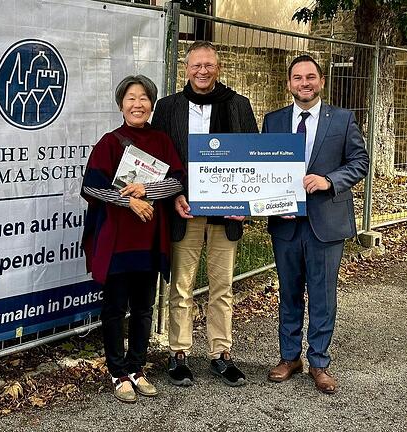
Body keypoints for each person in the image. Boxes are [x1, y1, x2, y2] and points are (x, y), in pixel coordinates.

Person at [152, 41, 258, 387]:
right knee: (180, 286)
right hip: (184, 211)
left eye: (209, 65)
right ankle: (178, 353)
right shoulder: (168, 108)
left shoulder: (239, 105)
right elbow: (157, 160)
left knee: (222, 286)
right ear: (186, 68)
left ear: (219, 67)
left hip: (225, 215)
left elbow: (252, 159)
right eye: (196, 65)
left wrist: (247, 204)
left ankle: (220, 354)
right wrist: (173, 196)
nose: (202, 71)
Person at [261, 55, 369, 394]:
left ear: (321, 81)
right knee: (289, 292)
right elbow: (264, 169)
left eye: (310, 77)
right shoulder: (274, 121)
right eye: (297, 77)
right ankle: (289, 357)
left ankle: (319, 362)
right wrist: (266, 201)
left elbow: (360, 161)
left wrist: (328, 180)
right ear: (289, 83)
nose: (304, 83)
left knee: (322, 294)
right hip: (286, 223)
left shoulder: (342, 119)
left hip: (326, 221)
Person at [80, 75, 185, 403]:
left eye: (143, 98)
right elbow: (91, 187)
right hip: (117, 241)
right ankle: (117, 371)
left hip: (150, 241)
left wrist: (147, 190)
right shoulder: (110, 143)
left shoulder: (162, 141)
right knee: (114, 308)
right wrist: (129, 201)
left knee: (143, 307)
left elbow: (178, 181)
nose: (137, 104)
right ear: (121, 104)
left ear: (151, 104)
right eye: (130, 98)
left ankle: (138, 367)